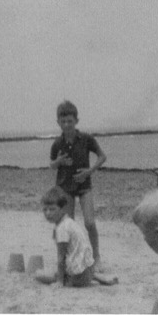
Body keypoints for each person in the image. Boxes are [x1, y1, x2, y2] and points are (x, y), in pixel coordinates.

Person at [49, 100, 107, 271]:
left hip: (84, 186)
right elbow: (52, 165)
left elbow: (102, 157)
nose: (67, 125)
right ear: (58, 122)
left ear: (76, 121)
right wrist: (58, 161)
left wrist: (89, 171)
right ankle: (69, 259)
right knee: (68, 227)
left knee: (89, 223)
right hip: (64, 188)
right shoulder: (57, 144)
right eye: (63, 121)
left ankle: (96, 257)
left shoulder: (86, 139)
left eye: (70, 121)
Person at [35, 186, 117, 287]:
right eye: (45, 210)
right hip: (88, 269)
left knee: (38, 274)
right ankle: (97, 277)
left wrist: (59, 282)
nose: (48, 213)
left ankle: (70, 280)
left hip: (78, 277)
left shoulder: (62, 228)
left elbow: (61, 258)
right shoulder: (69, 222)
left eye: (52, 209)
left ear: (63, 208)